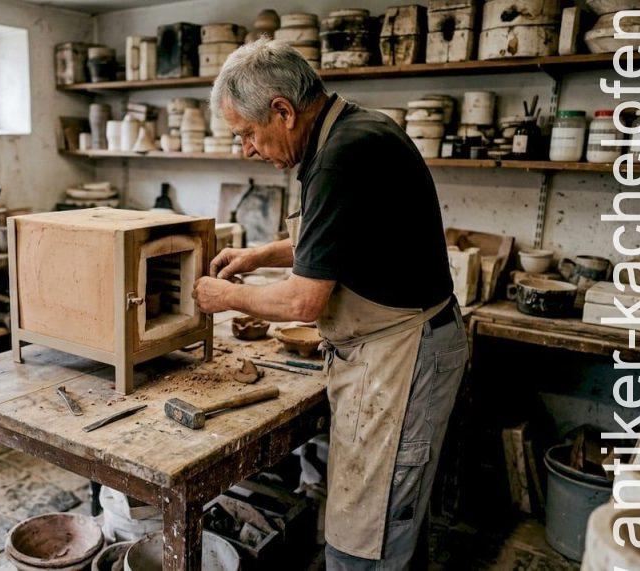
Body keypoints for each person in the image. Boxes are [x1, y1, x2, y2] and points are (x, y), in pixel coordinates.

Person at [192, 40, 470, 569]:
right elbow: (340, 239)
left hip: (401, 360)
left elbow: (302, 299)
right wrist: (259, 255)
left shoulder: (341, 156)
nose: (247, 150)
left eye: (248, 134)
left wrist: (223, 296)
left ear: (282, 111)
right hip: (396, 348)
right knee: (388, 519)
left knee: (366, 540)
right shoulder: (351, 130)